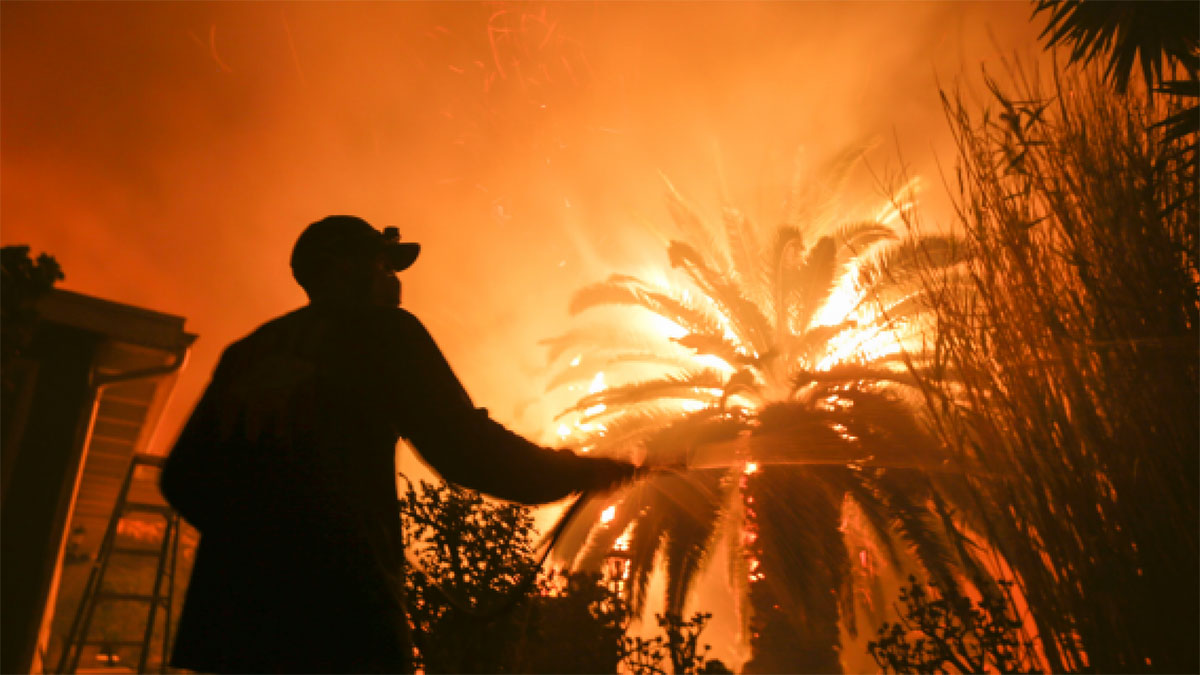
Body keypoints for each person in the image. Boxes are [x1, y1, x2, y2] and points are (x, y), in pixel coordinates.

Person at [160, 215, 636, 674]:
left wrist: (259, 538)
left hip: (235, 628)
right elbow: (467, 448)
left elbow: (182, 478)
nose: (394, 281)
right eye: (385, 266)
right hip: (342, 618)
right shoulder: (383, 333)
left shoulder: (247, 352)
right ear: (348, 268)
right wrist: (579, 472)